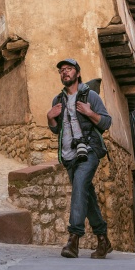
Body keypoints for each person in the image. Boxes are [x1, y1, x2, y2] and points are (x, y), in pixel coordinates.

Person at [47, 58, 113, 259]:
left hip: (89, 150)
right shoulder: (57, 100)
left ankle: (73, 239)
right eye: (61, 70)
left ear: (77, 72)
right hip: (68, 155)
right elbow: (56, 129)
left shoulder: (90, 96)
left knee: (79, 187)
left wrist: (90, 113)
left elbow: (106, 122)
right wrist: (50, 117)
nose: (64, 72)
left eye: (68, 69)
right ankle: (103, 240)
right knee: (87, 194)